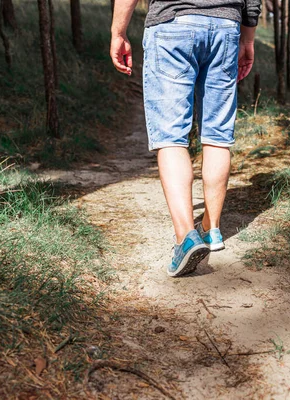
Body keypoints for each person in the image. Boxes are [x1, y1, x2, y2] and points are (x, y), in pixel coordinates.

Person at [110, 0, 261, 277]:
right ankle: (212, 229)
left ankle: (185, 237)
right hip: (225, 26)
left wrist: (118, 32)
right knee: (217, 134)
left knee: (170, 137)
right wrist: (247, 38)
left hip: (172, 23)